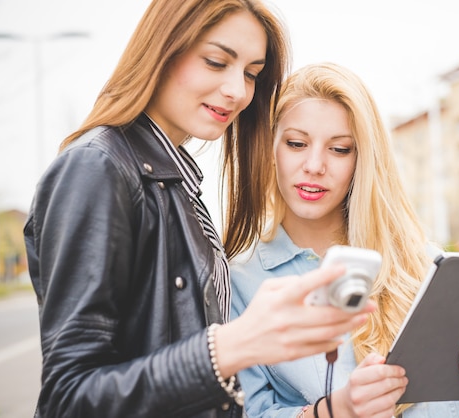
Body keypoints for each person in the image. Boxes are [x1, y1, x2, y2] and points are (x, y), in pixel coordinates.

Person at [23, 3, 374, 417]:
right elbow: (69, 397)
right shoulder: (98, 167)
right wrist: (230, 347)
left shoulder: (175, 184)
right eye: (216, 61)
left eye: (251, 74)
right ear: (163, 48)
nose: (238, 91)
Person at [230, 62, 459, 418]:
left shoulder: (426, 264)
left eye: (339, 149)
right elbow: (246, 412)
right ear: (270, 148)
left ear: (362, 159)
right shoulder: (239, 280)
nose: (314, 165)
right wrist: (334, 412)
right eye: (296, 143)